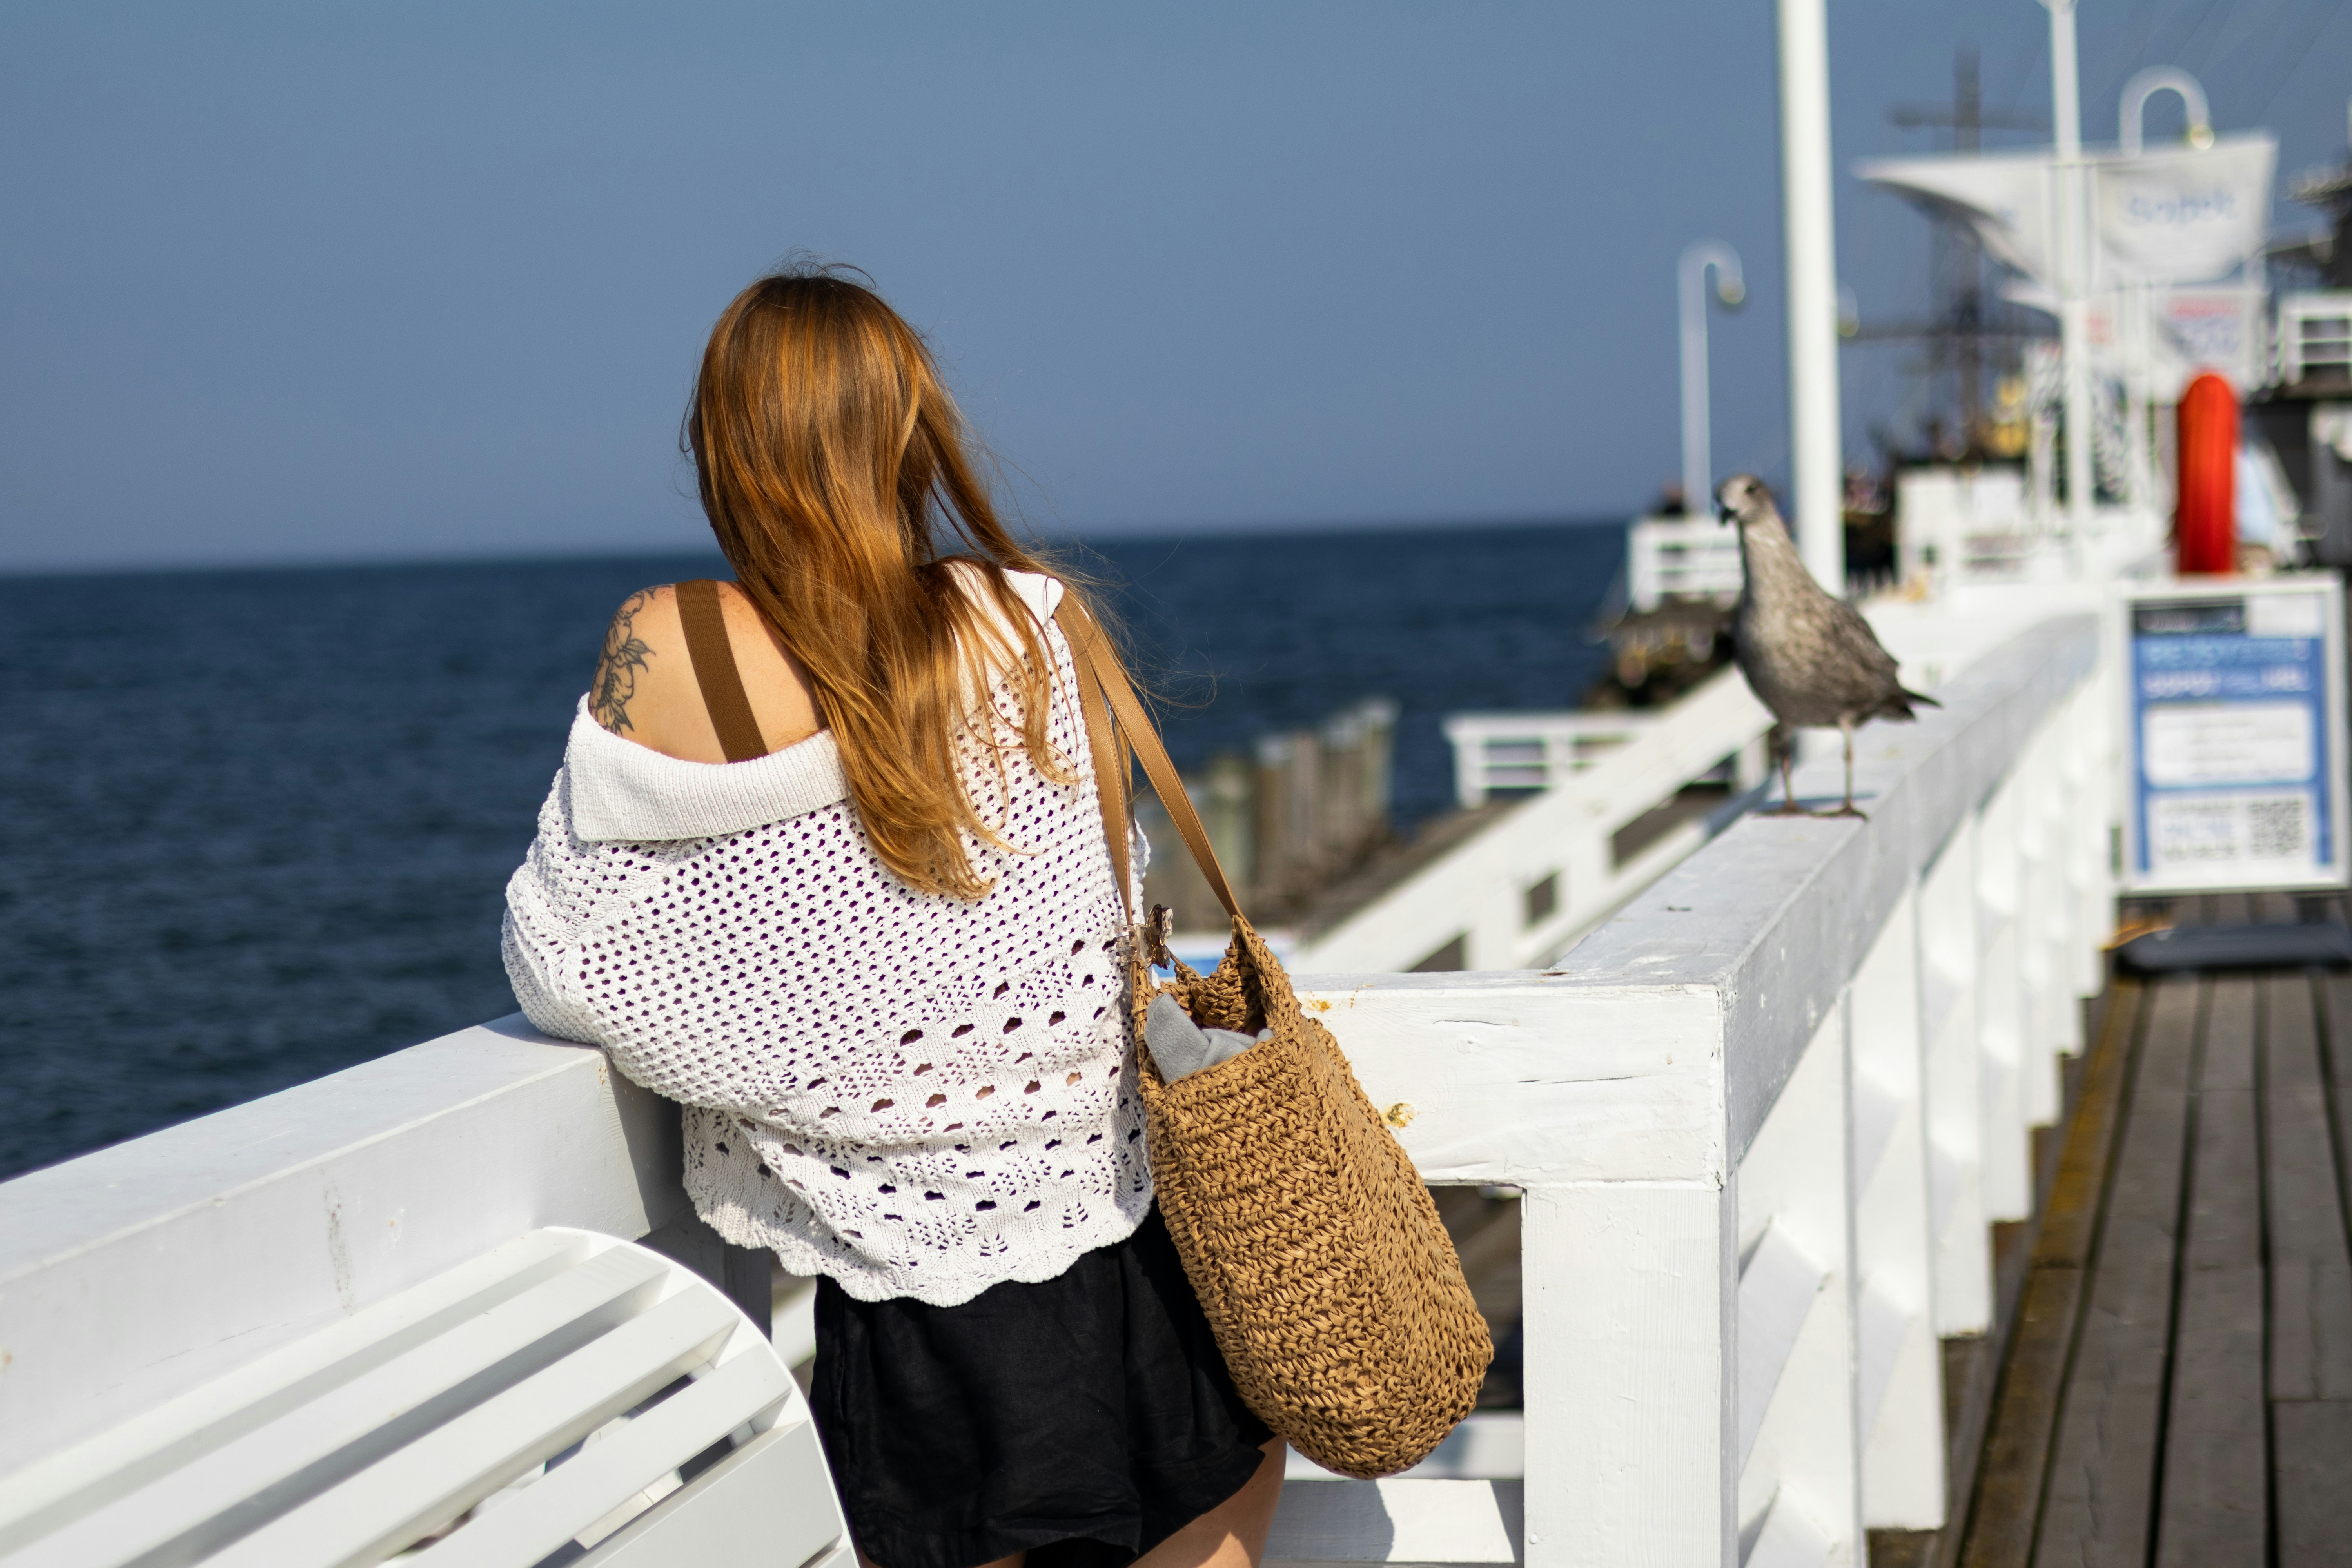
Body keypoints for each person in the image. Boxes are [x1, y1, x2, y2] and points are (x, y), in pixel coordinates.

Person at [503, 268, 1283, 1568]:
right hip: (1140, 1248)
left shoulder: (679, 641)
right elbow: (1107, 900)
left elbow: (566, 954)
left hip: (921, 1314)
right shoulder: (1031, 615)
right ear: (914, 434)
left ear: (725, 450)